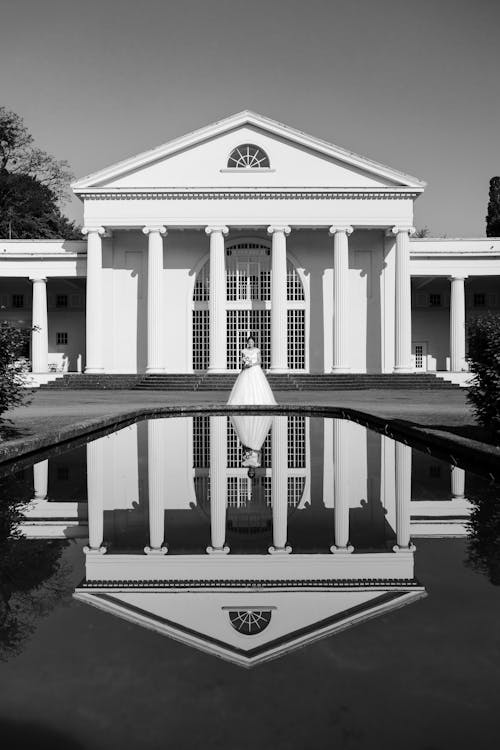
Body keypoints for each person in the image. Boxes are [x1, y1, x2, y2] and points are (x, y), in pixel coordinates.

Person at [227, 336, 277, 405]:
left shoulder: (257, 350)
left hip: (255, 369)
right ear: (247, 342)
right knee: (244, 385)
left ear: (254, 342)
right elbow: (243, 360)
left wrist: (252, 364)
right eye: (249, 342)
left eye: (252, 342)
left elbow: (259, 361)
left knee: (258, 385)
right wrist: (245, 364)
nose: (250, 343)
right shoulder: (244, 351)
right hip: (246, 369)